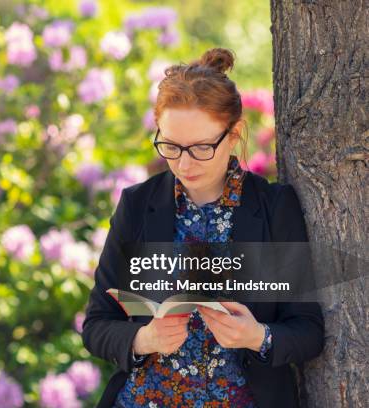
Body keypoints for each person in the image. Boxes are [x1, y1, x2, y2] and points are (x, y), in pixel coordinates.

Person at [81, 48, 325, 408]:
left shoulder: (274, 207)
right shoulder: (137, 205)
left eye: (200, 148)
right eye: (171, 146)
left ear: (233, 133)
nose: (183, 163)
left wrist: (258, 336)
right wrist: (145, 338)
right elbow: (97, 325)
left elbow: (308, 330)